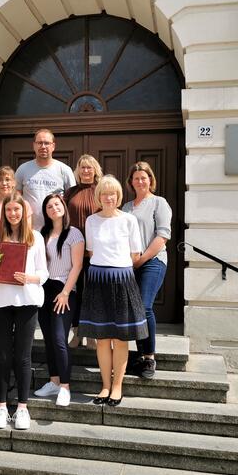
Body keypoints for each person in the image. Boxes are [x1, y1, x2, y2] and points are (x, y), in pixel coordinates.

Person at [79, 175, 148, 407]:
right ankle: (105, 386)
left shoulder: (129, 220)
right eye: (104, 193)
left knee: (120, 339)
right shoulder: (91, 221)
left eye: (113, 194)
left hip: (122, 279)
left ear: (118, 197)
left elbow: (135, 255)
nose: (109, 197)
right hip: (98, 280)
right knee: (101, 339)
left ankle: (117, 387)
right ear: (99, 196)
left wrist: (118, 269)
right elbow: (90, 252)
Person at [0, 192, 49, 430]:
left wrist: (29, 278)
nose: (13, 214)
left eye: (17, 210)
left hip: (28, 302)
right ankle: (1, 407)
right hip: (1, 301)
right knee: (3, 356)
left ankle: (22, 407)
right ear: (4, 213)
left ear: (24, 212)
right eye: (9, 210)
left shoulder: (36, 238)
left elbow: (44, 273)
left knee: (23, 356)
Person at [123, 162, 172, 379]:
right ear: (131, 182)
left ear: (150, 180)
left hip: (152, 261)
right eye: (136, 178)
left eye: (144, 178)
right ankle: (141, 356)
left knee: (144, 306)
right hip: (130, 264)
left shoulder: (159, 203)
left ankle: (150, 357)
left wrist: (141, 259)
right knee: (134, 309)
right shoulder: (126, 207)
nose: (140, 181)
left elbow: (162, 236)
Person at [34, 193, 84, 407]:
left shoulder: (74, 234)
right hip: (43, 288)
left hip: (63, 289)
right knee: (47, 337)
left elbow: (77, 266)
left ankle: (65, 386)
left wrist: (65, 292)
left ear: (63, 206)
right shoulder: (41, 234)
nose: (54, 208)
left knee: (58, 338)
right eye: (49, 207)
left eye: (57, 204)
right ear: (45, 212)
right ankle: (54, 381)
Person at [63, 154, 103, 349]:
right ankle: (77, 333)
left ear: (95, 170)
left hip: (97, 252)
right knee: (75, 292)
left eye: (89, 167)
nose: (86, 171)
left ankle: (93, 334)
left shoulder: (101, 192)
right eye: (82, 168)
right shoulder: (70, 192)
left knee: (93, 292)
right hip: (74, 250)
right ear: (77, 171)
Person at [15, 129, 76, 231]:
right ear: (34, 145)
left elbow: (72, 202)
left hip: (57, 232)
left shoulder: (64, 170)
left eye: (46, 143)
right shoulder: (23, 169)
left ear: (53, 146)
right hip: (29, 230)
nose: (43, 146)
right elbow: (15, 199)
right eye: (39, 143)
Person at [0, 165, 32, 241]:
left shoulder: (24, 204)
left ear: (14, 182)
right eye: (0, 180)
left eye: (7, 179)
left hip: (18, 248)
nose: (4, 183)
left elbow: (28, 230)